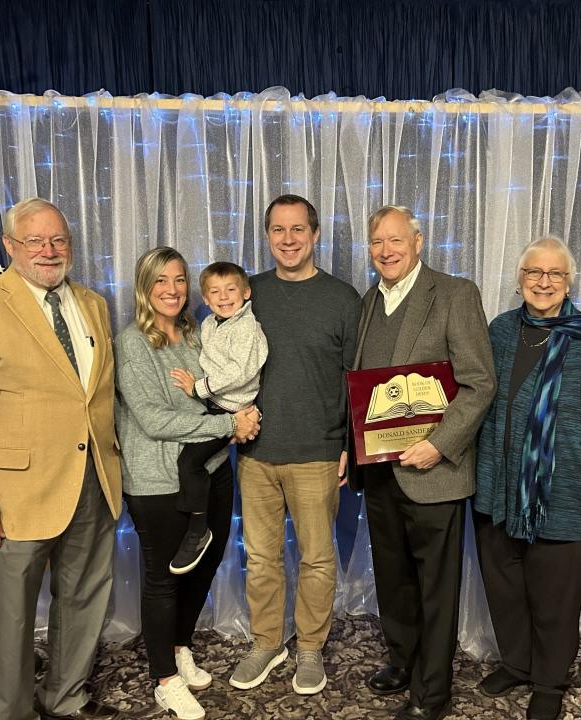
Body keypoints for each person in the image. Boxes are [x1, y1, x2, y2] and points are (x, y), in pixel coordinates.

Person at [0, 198, 126, 720]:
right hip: (13, 497)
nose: (48, 250)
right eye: (35, 241)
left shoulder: (92, 304)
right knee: (11, 616)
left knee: (84, 600)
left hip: (92, 481)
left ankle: (64, 699)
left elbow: (94, 397)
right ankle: (11, 710)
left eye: (58, 240)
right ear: (11, 246)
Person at [474, 236, 581, 720]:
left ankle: (549, 680)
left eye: (555, 274)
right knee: (505, 591)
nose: (544, 283)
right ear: (520, 279)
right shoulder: (500, 331)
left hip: (568, 499)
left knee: (553, 603)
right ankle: (518, 664)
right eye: (534, 273)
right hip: (498, 494)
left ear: (569, 281)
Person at [350, 205, 495, 720]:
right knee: (393, 578)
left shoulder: (455, 294)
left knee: (435, 588)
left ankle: (431, 693)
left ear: (417, 242)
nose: (385, 251)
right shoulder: (369, 301)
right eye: (376, 243)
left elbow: (481, 382)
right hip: (381, 469)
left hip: (434, 470)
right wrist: (353, 446)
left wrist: (439, 443)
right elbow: (361, 388)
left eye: (395, 240)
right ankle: (402, 659)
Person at [115, 247, 261, 720]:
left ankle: (180, 647)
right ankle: (165, 679)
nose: (172, 290)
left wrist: (239, 419)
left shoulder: (199, 332)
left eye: (179, 280)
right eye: (161, 281)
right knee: (163, 577)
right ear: (145, 287)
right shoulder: (133, 342)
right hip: (158, 479)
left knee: (205, 562)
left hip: (212, 469)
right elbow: (155, 419)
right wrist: (230, 425)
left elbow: (220, 389)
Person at [230, 194, 361, 695]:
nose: (288, 240)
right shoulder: (247, 294)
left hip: (318, 451)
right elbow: (220, 361)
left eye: (298, 229)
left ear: (315, 234)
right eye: (278, 230)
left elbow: (355, 378)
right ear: (267, 236)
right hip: (257, 454)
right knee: (260, 559)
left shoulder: (343, 299)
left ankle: (310, 647)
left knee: (317, 558)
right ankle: (267, 642)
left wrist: (349, 443)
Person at [166, 261, 268, 575]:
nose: (224, 297)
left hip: (232, 406)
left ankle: (199, 529)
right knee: (190, 459)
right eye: (215, 292)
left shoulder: (246, 327)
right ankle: (193, 521)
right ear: (206, 300)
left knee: (190, 462)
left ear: (246, 293)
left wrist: (198, 387)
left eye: (231, 289)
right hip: (216, 406)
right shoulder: (210, 323)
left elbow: (240, 372)